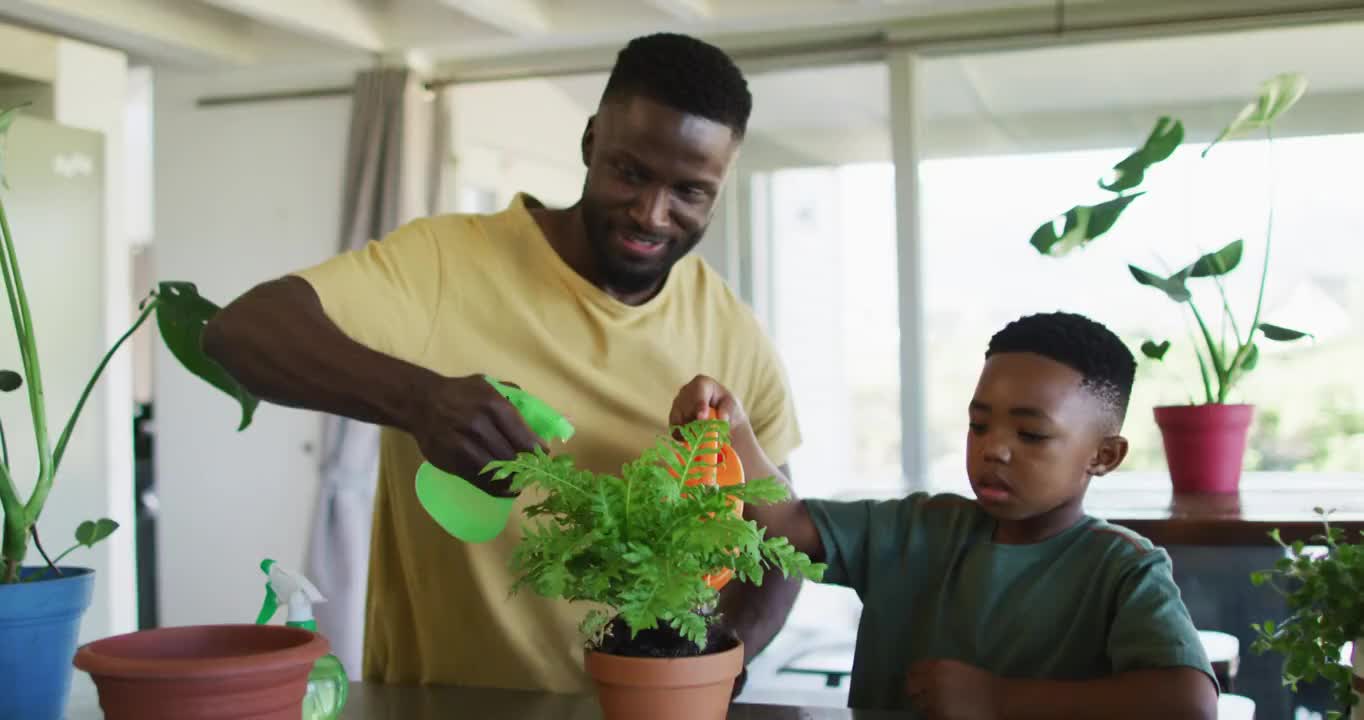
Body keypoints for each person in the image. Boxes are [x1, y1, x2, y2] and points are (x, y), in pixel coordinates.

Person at [202, 33, 803, 693]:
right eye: (630, 172)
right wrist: (420, 402)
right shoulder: (444, 263)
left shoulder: (732, 333)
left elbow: (785, 541)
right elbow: (242, 331)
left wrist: (722, 663)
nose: (651, 213)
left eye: (689, 191)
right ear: (589, 143)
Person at [669, 311, 1219, 719]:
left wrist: (998, 700)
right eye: (979, 425)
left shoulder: (1122, 567)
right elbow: (787, 525)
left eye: (1030, 433)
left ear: (1104, 456)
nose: (994, 448)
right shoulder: (918, 527)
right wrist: (733, 427)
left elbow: (1188, 702)